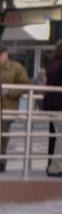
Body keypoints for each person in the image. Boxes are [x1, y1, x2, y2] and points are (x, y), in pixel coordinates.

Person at [0, 49, 30, 172]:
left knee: (3, 136)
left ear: (6, 54)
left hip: (8, 108)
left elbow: (25, 86)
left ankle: (1, 163)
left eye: (0, 55)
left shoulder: (16, 68)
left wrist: (9, 92)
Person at [44, 42, 62, 177]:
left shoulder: (54, 64)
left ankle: (51, 165)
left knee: (55, 137)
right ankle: (55, 168)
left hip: (52, 105)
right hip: (59, 105)